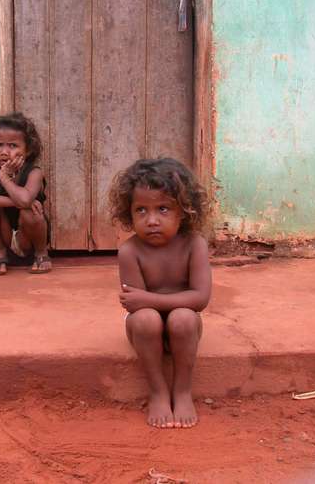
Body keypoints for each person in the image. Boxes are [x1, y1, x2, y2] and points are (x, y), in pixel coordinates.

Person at [109, 158, 211, 429]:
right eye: (141, 210)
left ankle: (182, 390)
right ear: (128, 213)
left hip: (184, 326)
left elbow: (200, 298)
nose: (151, 220)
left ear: (184, 212)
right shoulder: (129, 251)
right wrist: (147, 304)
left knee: (184, 318)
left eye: (163, 209)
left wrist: (150, 300)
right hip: (147, 330)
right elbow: (135, 307)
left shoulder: (194, 244)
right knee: (145, 319)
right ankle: (158, 391)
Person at [0, 112, 51, 275]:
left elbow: (25, 199)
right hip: (4, 234)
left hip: (28, 238)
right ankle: (0, 251)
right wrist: (15, 202)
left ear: (27, 150)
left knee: (30, 210)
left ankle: (41, 253)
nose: (4, 152)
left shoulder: (34, 173)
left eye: (13, 146)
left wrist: (5, 180)